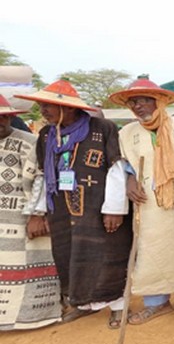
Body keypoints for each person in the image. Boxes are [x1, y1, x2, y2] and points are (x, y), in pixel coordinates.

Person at [16, 79, 132, 328]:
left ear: (69, 108)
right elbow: (42, 173)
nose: (43, 111)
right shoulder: (47, 134)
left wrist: (114, 209)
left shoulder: (103, 127)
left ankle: (117, 307)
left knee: (108, 255)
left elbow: (116, 168)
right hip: (61, 208)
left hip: (98, 206)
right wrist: (37, 211)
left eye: (47, 106)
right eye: (41, 105)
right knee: (70, 256)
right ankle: (84, 304)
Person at [109, 75, 174, 330]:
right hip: (149, 204)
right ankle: (157, 301)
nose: (138, 106)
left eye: (144, 100)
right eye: (133, 102)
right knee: (152, 251)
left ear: (160, 101)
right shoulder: (127, 133)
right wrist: (130, 182)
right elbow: (126, 166)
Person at [0, 94, 61, 330]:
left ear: (12, 117)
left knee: (27, 266)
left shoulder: (30, 141)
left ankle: (30, 317)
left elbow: (42, 177)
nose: (1, 122)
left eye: (4, 118)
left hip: (20, 218)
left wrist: (37, 214)